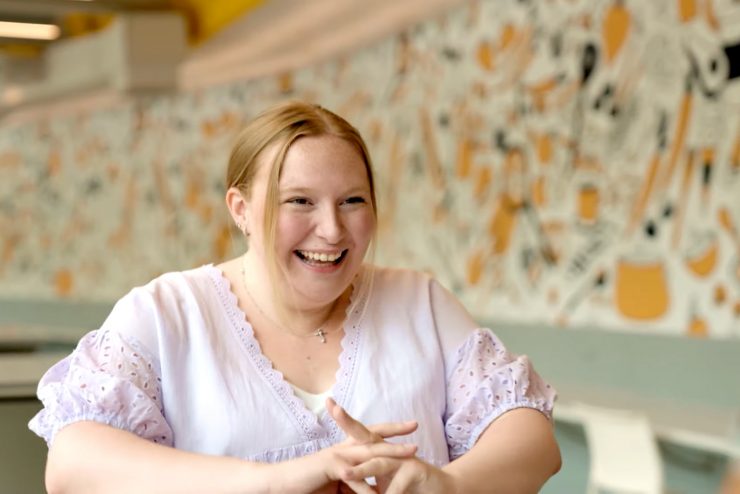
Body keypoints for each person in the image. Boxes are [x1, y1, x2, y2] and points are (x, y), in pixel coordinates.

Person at [29, 101, 561, 494]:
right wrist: (279, 480)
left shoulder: (420, 303)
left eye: (352, 201)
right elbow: (74, 465)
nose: (331, 230)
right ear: (240, 208)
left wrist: (447, 486)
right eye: (299, 202)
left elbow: (533, 440)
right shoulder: (166, 314)